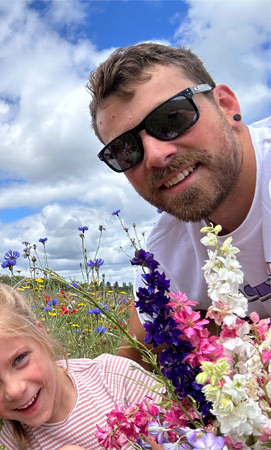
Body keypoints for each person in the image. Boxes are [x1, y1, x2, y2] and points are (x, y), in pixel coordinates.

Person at [87, 42, 271, 366]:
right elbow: (133, 363)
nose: (157, 156)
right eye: (125, 150)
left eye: (172, 117)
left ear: (227, 107)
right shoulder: (164, 254)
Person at [0, 277, 159, 450]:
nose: (14, 390)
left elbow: (185, 433)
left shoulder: (115, 376)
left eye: (19, 359)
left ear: (41, 336)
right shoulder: (10, 444)